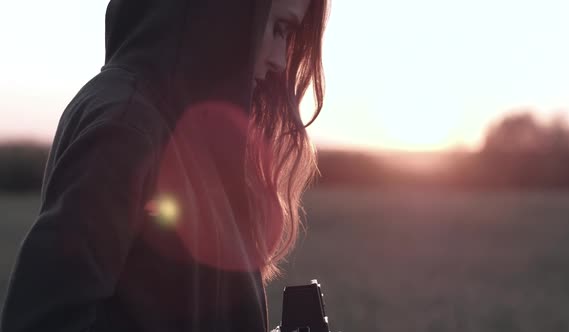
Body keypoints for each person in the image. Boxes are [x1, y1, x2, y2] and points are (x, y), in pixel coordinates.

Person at [0, 0, 328, 331]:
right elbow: (42, 320)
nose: (279, 59)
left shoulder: (186, 130)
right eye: (276, 29)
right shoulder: (127, 123)